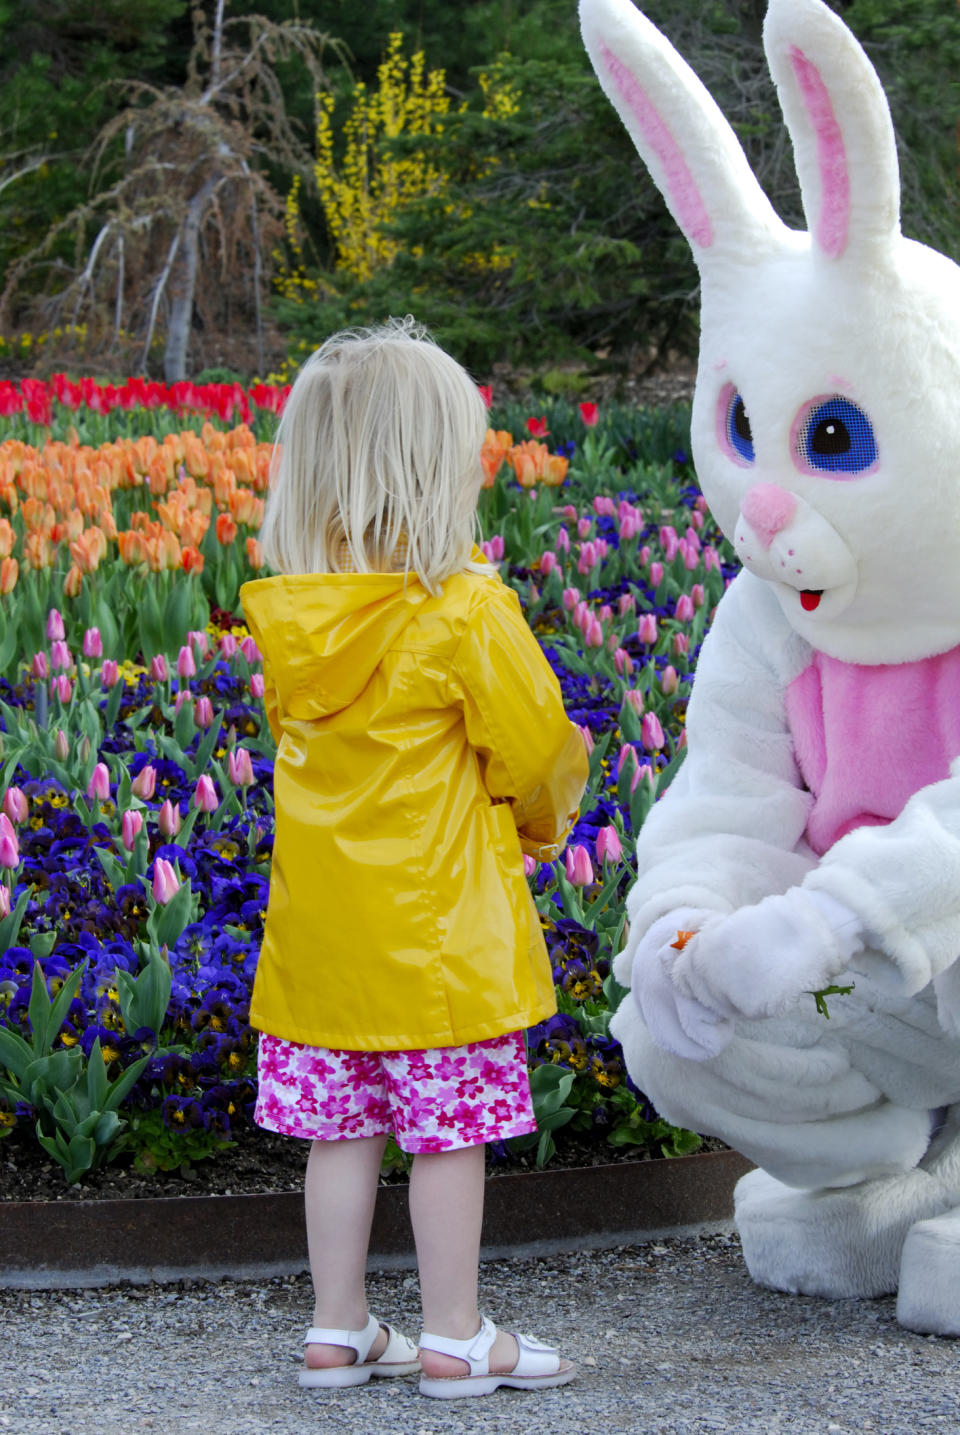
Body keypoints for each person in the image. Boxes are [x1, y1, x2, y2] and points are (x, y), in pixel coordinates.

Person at [239, 318, 588, 1399]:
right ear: (434, 468)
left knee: (338, 1137)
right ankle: (455, 1336)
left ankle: (338, 1330)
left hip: (320, 949)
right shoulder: (462, 608)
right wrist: (539, 826)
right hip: (439, 949)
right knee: (447, 1140)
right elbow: (535, 749)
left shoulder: (292, 617)